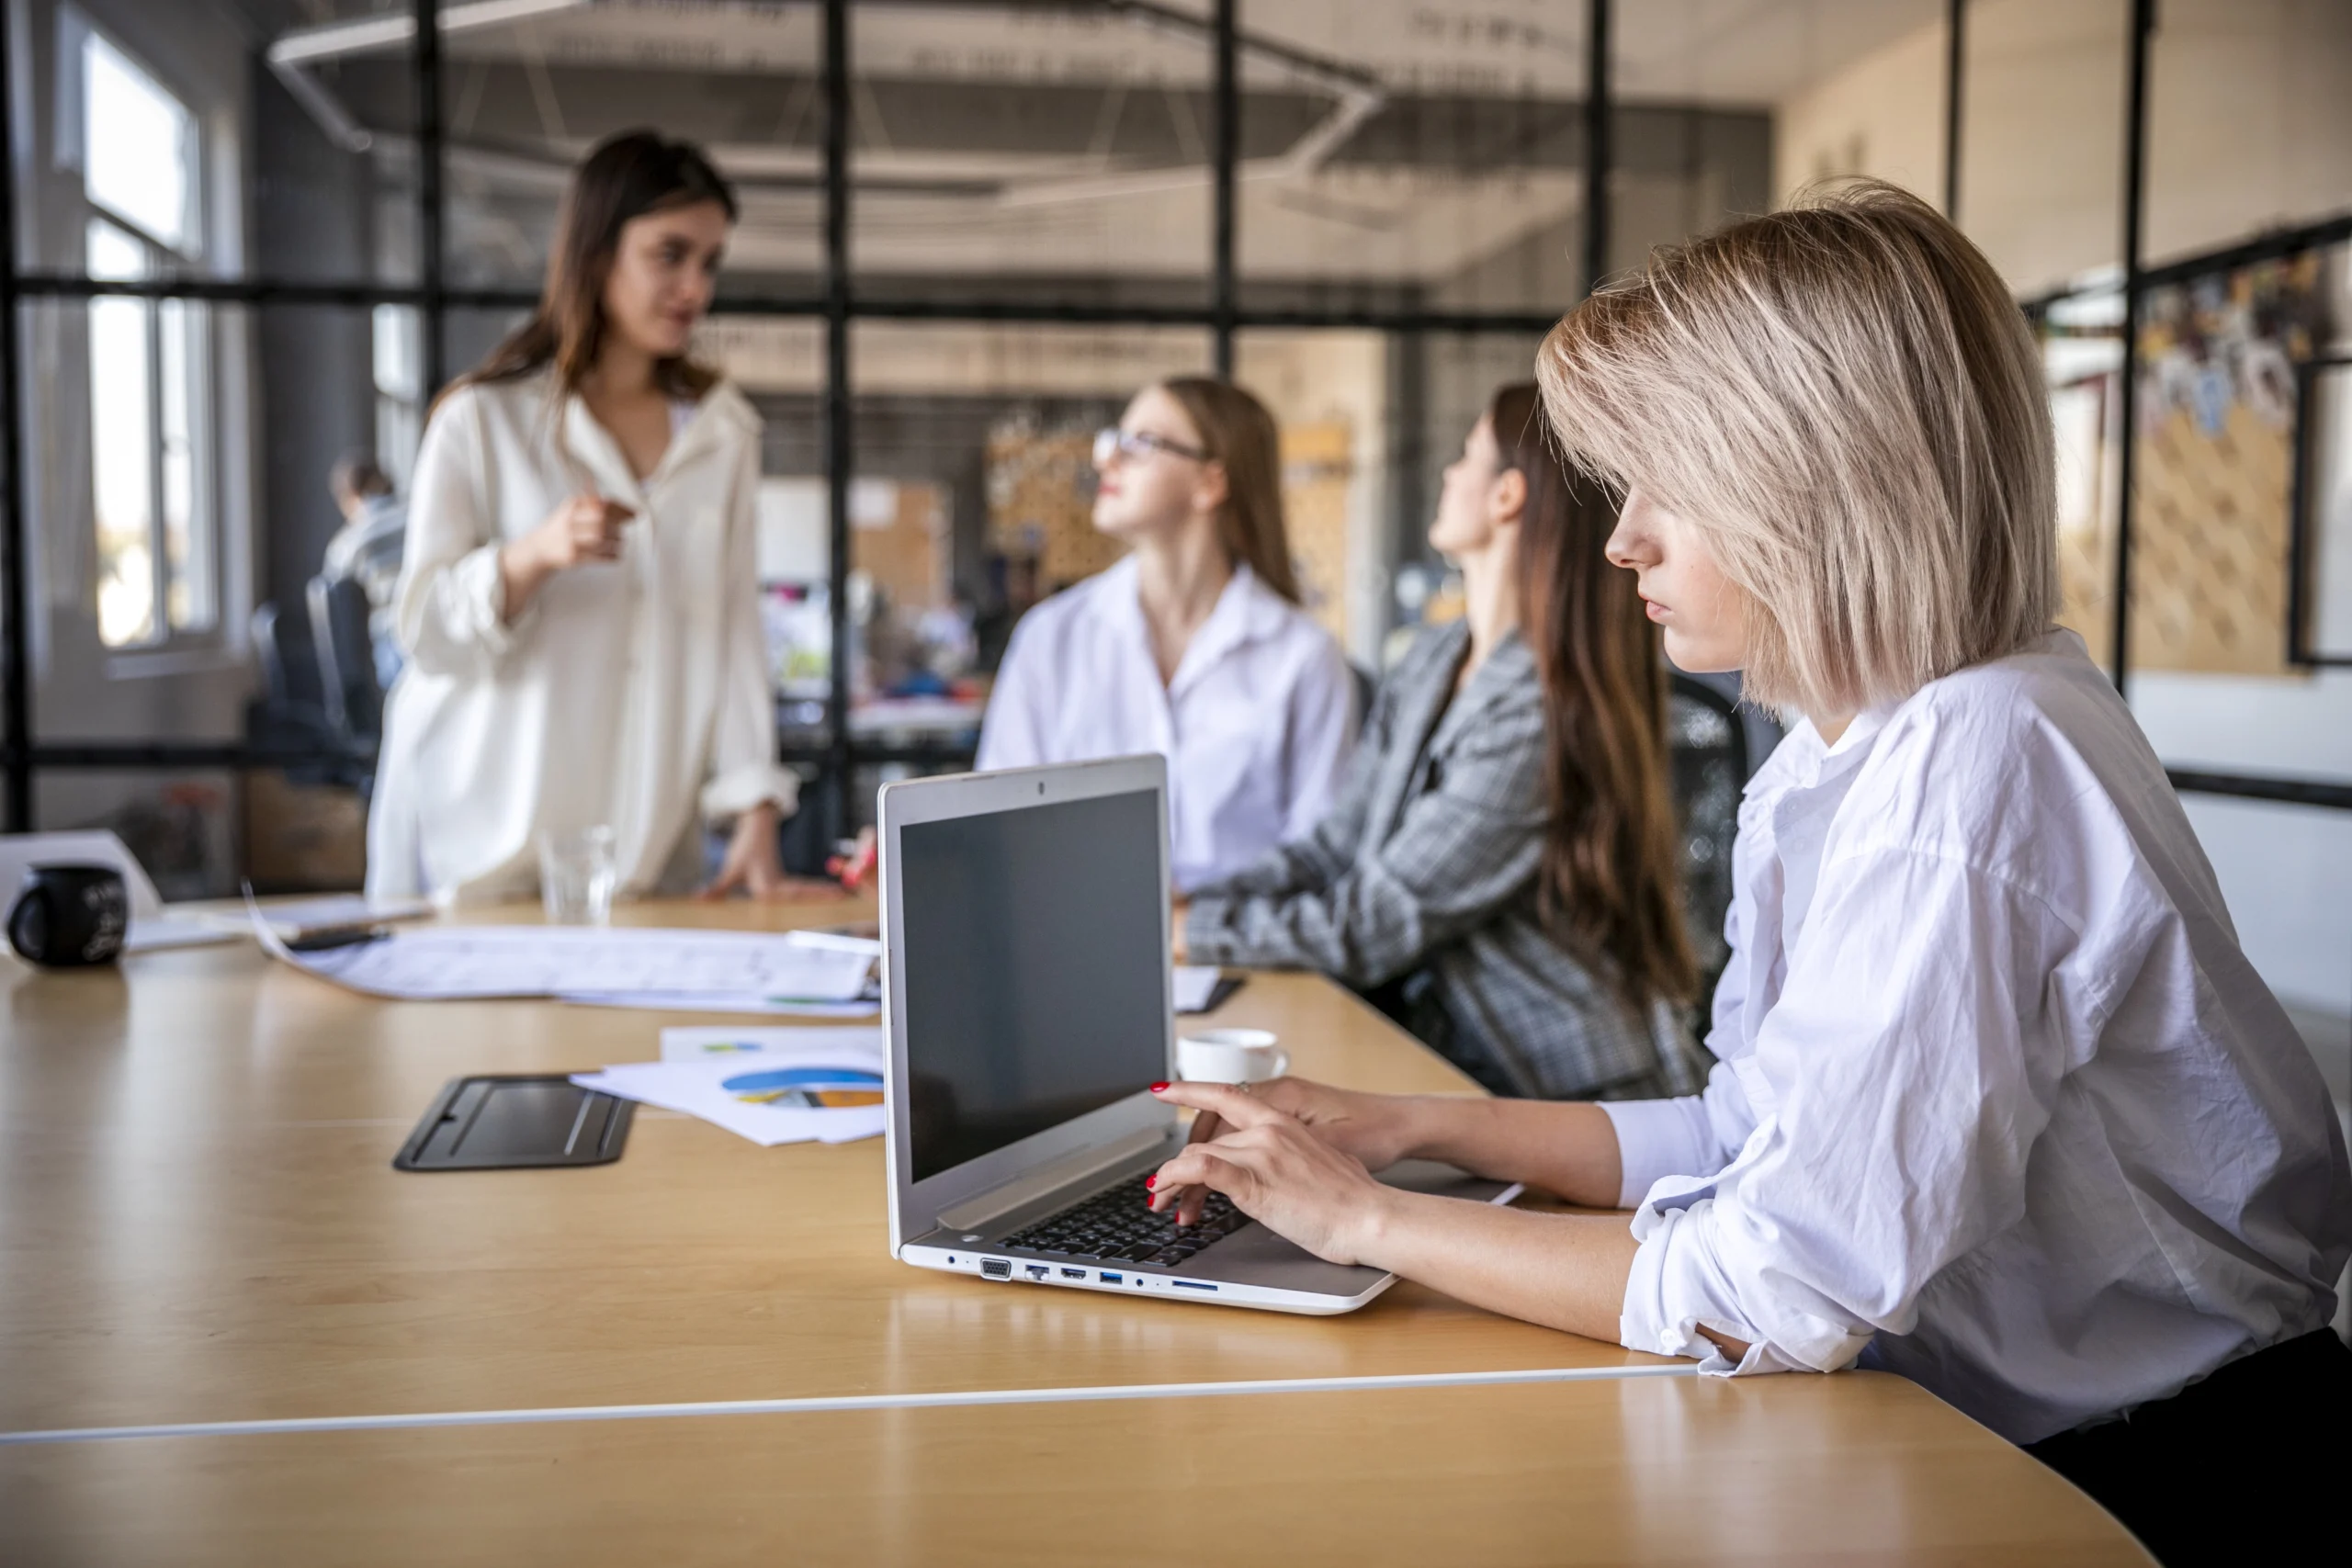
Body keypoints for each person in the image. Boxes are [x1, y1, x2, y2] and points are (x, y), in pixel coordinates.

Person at [1139, 184, 2351, 1565]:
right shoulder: (1854, 742)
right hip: (2016, 1434)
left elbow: (1774, 1283)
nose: (1622, 538)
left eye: (1674, 484)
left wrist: (1361, 1219)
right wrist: (1401, 1125)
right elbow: (1744, 1141)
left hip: (2157, 1475)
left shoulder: (1969, 762)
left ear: (1812, 481)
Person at [1180, 383, 1698, 1101]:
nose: (1449, 474)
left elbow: (1375, 924)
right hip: (1447, 1053)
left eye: (1466, 456)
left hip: (1562, 1082)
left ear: (1507, 497)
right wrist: (1192, 900)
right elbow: (1336, 846)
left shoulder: (1540, 707)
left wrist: (1195, 929)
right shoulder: (1435, 657)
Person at [368, 130, 808, 906]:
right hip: (478, 843)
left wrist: (756, 809)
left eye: (709, 262)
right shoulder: (480, 420)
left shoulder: (723, 433)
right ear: (598, 251)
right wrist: (530, 556)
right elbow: (423, 632)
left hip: (636, 848)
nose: (695, 288)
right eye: (669, 254)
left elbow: (735, 627)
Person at [975, 378, 1354, 892]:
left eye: (1141, 444)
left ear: (1210, 483)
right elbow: (997, 825)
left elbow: (1323, 858)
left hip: (1245, 955)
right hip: (1076, 944)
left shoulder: (1304, 657)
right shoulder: (1051, 638)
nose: (1106, 460)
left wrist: (1196, 918)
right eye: (1113, 440)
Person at [322, 451, 408, 691]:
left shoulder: (348, 542)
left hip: (392, 640)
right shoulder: (418, 514)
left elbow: (334, 599)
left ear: (349, 497)